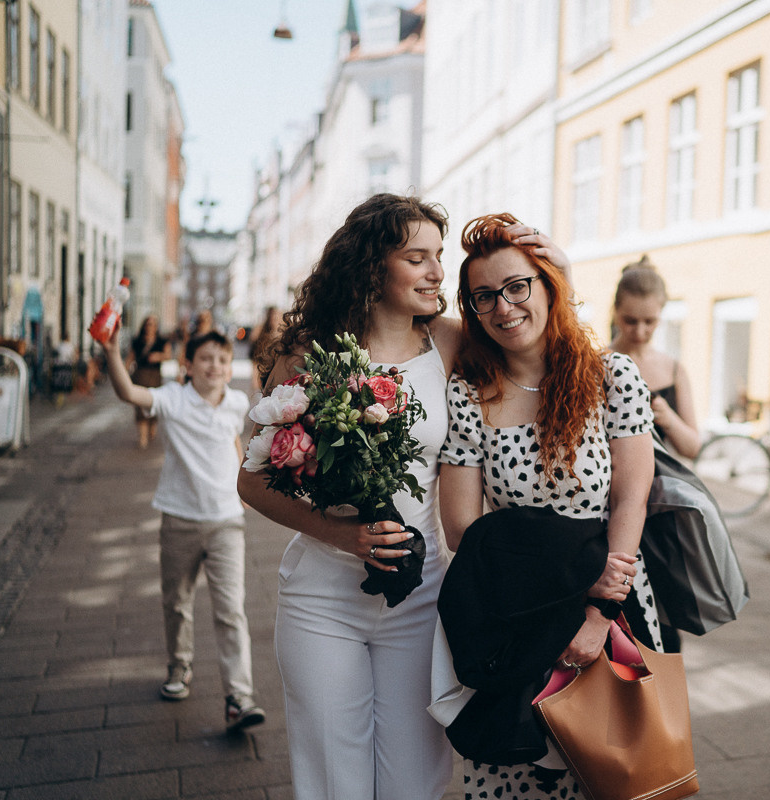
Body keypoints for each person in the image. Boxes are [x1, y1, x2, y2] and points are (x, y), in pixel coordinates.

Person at [237, 194, 568, 800]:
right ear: (371, 266)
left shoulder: (449, 342)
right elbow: (251, 479)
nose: (437, 272)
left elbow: (538, 346)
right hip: (322, 596)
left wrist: (557, 272)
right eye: (418, 258)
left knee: (414, 780)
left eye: (438, 256)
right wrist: (342, 535)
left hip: (422, 596)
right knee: (335, 779)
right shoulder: (307, 354)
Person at [438, 213, 661, 800]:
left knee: (612, 771)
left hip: (611, 604)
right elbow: (460, 528)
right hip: (516, 616)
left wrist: (599, 612)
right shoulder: (468, 392)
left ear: (548, 286)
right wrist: (567, 573)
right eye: (485, 296)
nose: (504, 307)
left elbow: (631, 499)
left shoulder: (612, 376)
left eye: (518, 286)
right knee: (514, 780)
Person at [99, 325, 266, 733]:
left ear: (229, 367)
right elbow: (129, 393)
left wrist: (242, 482)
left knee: (231, 609)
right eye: (205, 358)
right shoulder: (173, 399)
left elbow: (234, 440)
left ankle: (239, 697)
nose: (215, 366)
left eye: (222, 360)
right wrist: (111, 351)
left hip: (227, 521)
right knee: (177, 601)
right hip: (179, 519)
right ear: (187, 365)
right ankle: (179, 666)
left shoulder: (236, 402)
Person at [609, 256, 702, 460]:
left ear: (661, 313)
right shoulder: (595, 363)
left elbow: (693, 449)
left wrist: (668, 419)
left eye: (649, 321)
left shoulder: (674, 370)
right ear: (615, 311)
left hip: (662, 478)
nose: (640, 331)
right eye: (630, 321)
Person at [130, 315, 172, 448]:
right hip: (140, 375)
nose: (150, 327)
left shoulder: (161, 341)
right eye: (148, 324)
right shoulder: (137, 341)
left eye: (153, 324)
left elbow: (168, 355)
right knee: (140, 406)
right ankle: (143, 436)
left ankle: (152, 426)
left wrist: (158, 356)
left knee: (153, 403)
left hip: (154, 376)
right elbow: (130, 358)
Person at [248, 306, 283, 394]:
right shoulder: (262, 335)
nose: (275, 319)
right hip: (265, 377)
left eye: (277, 316)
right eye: (273, 317)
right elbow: (255, 360)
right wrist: (255, 381)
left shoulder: (286, 338)